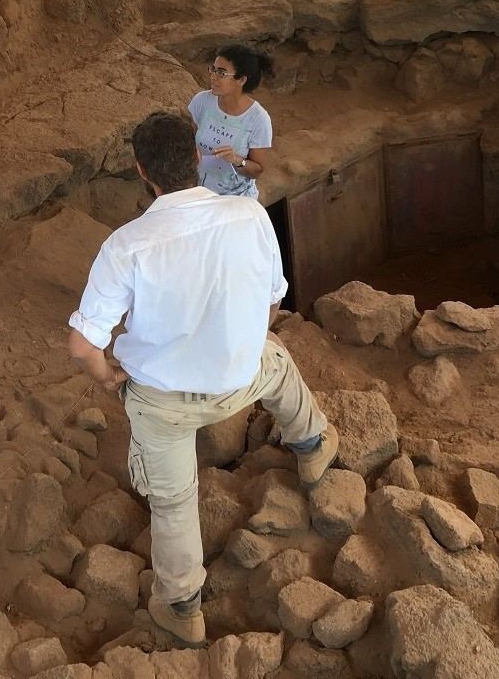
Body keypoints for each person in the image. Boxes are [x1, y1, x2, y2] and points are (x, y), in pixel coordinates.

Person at [67, 112, 339, 648]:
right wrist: (239, 344)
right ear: (196, 156)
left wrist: (107, 378)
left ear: (141, 170)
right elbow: (273, 300)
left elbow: (82, 345)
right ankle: (314, 445)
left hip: (163, 406)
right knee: (277, 360)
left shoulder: (127, 244)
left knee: (173, 505)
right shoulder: (249, 214)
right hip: (242, 380)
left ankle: (182, 608)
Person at [187, 44, 274, 200]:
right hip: (200, 193)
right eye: (213, 70)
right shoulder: (202, 101)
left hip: (236, 198)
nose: (213, 76)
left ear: (241, 79)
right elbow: (191, 139)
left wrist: (237, 160)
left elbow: (258, 170)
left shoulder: (258, 119)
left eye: (221, 73)